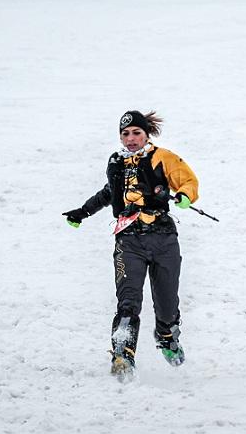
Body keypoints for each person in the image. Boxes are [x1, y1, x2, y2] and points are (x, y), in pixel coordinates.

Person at [62, 110, 199, 378]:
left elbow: (188, 180)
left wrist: (184, 195)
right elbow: (108, 193)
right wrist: (82, 212)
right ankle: (123, 354)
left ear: (147, 134)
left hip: (163, 238)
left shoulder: (163, 157)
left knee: (167, 302)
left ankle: (167, 335)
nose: (131, 138)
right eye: (125, 134)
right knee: (128, 300)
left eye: (136, 133)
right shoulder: (117, 162)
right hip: (129, 240)